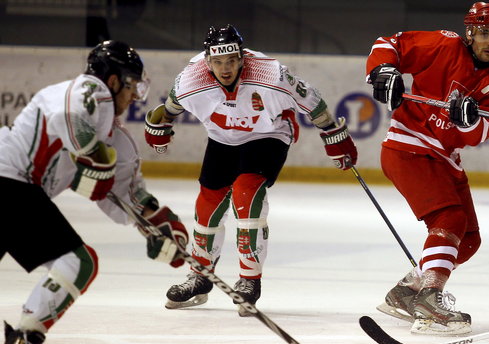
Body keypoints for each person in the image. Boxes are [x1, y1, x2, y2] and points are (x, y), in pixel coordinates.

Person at [0, 40, 189, 344]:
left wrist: (158, 226)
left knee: (78, 262)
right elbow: (70, 120)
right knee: (78, 262)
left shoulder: (113, 133)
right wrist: (93, 156)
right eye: (132, 85)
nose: (135, 96)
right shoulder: (91, 90)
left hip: (13, 187)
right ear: (114, 80)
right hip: (8, 181)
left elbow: (125, 195)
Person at [144, 24, 358, 316]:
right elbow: (169, 108)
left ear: (242, 57)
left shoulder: (271, 75)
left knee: (246, 193)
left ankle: (249, 280)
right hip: (222, 138)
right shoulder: (189, 81)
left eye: (231, 60)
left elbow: (313, 102)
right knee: (207, 204)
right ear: (207, 61)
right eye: (217, 62)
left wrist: (334, 135)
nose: (225, 68)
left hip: (268, 135)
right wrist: (160, 125)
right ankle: (200, 276)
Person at [366, 2, 489, 335]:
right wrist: (384, 70)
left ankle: (407, 292)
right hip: (408, 146)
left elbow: (478, 135)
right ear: (470, 33)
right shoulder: (443, 45)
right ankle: (431, 297)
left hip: (446, 158)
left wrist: (467, 120)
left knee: (469, 239)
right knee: (450, 220)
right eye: (485, 33)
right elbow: (388, 45)